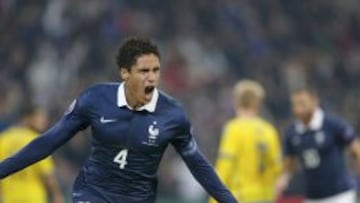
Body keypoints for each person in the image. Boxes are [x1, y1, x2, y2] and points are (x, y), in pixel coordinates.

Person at [0, 37, 237, 203]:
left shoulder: (173, 115)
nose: (151, 78)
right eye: (144, 71)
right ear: (125, 72)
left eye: (156, 70)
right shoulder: (95, 98)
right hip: (94, 192)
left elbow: (199, 165)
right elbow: (49, 141)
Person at [277, 87, 360, 203]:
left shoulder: (333, 125)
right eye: (295, 104)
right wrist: (284, 178)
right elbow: (289, 163)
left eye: (302, 103)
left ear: (315, 101)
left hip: (340, 195)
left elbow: (356, 149)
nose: (298, 109)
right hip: (312, 197)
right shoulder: (291, 133)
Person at [209, 80, 282, 203]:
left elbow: (225, 166)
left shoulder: (234, 129)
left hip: (241, 196)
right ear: (258, 103)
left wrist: (213, 199)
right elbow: (278, 168)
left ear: (237, 101)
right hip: (265, 197)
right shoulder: (269, 130)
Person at [0, 104, 64, 203]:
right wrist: (57, 196)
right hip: (33, 198)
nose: (44, 121)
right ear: (28, 118)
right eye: (40, 117)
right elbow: (47, 174)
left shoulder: (4, 138)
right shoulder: (36, 140)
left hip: (10, 198)